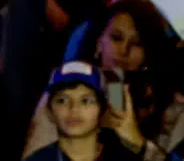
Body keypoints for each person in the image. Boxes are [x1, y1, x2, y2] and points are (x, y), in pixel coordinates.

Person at [24, 61, 160, 160]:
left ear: (103, 109)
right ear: (49, 111)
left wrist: (141, 145)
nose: (73, 109)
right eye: (62, 100)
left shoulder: (123, 157)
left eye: (86, 101)